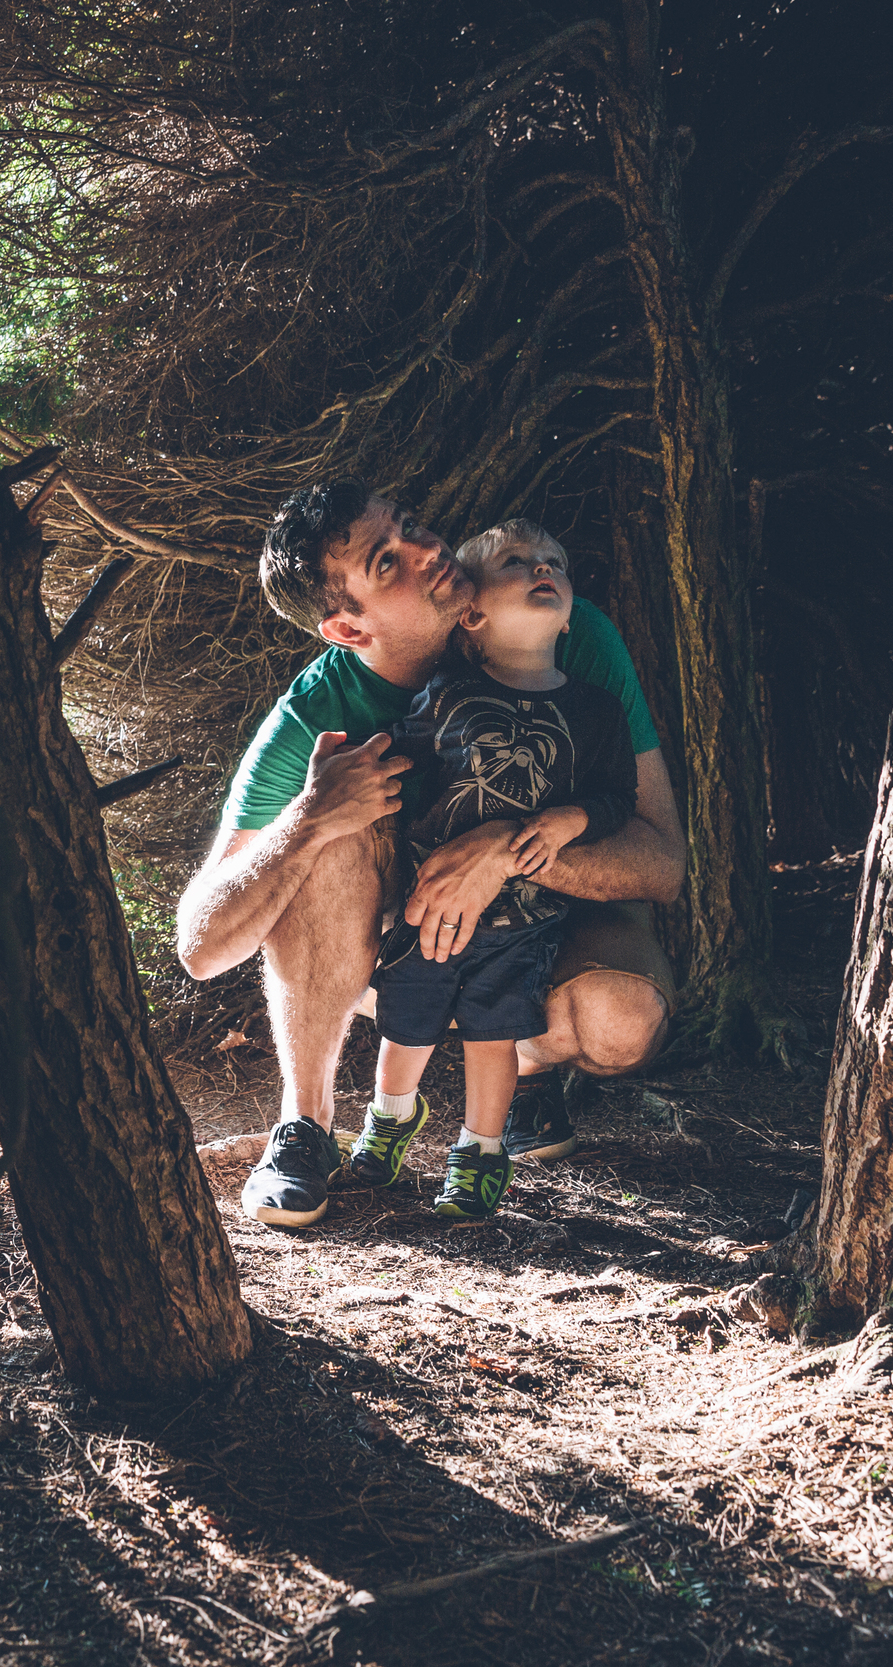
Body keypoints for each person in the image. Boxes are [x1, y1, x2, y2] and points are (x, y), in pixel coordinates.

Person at [175, 480, 686, 1227]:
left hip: (543, 931)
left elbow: (664, 861)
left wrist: (504, 851)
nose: (427, 548)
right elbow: (200, 944)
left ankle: (529, 1070)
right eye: (388, 562)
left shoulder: (559, 629)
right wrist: (309, 818)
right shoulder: (316, 713)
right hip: (404, 948)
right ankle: (305, 1127)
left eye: (409, 525)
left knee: (621, 1018)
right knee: (331, 818)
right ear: (348, 630)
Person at [344, 521, 636, 1222]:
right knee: (406, 1020)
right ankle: (389, 1120)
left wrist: (573, 820)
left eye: (555, 562)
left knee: (492, 1034)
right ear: (470, 616)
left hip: (524, 919)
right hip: (431, 907)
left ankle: (479, 1153)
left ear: (568, 618)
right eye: (516, 562)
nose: (543, 568)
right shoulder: (447, 691)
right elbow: (404, 768)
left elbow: (616, 797)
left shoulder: (594, 710)